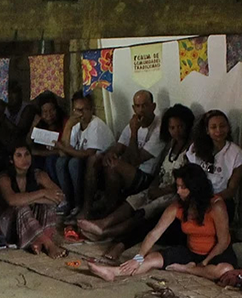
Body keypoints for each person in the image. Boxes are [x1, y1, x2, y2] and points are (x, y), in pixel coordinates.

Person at [78, 104, 193, 259]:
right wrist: (153, 187)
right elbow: (161, 171)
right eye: (172, 127)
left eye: (180, 126)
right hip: (158, 186)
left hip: (174, 193)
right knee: (133, 200)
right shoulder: (171, 145)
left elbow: (188, 180)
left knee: (144, 211)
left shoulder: (191, 150)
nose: (176, 131)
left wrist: (161, 191)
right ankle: (102, 223)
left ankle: (106, 233)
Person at [89, 163, 236, 282]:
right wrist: (138, 257)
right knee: (151, 259)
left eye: (183, 188)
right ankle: (113, 272)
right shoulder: (177, 206)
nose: (178, 191)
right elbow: (154, 234)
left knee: (224, 270)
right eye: (177, 186)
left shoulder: (216, 206)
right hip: (191, 252)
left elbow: (223, 242)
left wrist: (204, 263)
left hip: (216, 254)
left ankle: (188, 269)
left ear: (195, 188)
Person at [79, 90, 164, 219]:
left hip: (145, 176)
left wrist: (134, 132)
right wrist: (109, 154)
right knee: (94, 160)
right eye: (137, 106)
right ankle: (87, 209)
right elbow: (118, 147)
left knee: (113, 167)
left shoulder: (159, 127)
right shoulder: (133, 122)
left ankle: (109, 211)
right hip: (127, 168)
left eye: (145, 105)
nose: (141, 110)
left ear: (153, 106)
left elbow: (136, 160)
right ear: (133, 108)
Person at [0, 144, 66, 258]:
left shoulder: (39, 175)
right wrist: (43, 193)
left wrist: (34, 199)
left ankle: (39, 240)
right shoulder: (4, 178)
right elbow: (12, 201)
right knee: (21, 207)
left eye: (27, 154)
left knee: (48, 206)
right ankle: (49, 245)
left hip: (29, 225)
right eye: (19, 155)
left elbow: (59, 197)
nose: (24, 159)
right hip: (8, 227)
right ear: (11, 160)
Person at [52, 91, 113, 216]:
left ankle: (80, 203)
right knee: (60, 162)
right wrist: (68, 126)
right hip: (83, 162)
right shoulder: (76, 125)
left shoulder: (95, 124)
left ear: (91, 110)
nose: (80, 114)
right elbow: (63, 153)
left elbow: (88, 154)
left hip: (98, 166)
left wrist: (62, 147)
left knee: (74, 163)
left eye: (83, 110)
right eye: (76, 110)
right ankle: (69, 201)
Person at [186, 110, 242, 218]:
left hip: (220, 200)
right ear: (207, 130)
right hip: (196, 197)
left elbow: (231, 190)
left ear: (228, 128)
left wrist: (210, 200)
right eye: (213, 127)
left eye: (222, 126)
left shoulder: (236, 153)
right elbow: (189, 175)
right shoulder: (197, 148)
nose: (218, 130)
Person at [27, 91, 69, 180]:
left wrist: (41, 153)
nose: (49, 115)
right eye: (45, 112)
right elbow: (28, 144)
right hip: (41, 159)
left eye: (52, 110)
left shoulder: (64, 122)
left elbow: (64, 150)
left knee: (51, 160)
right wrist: (33, 126)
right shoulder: (39, 124)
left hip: (57, 158)